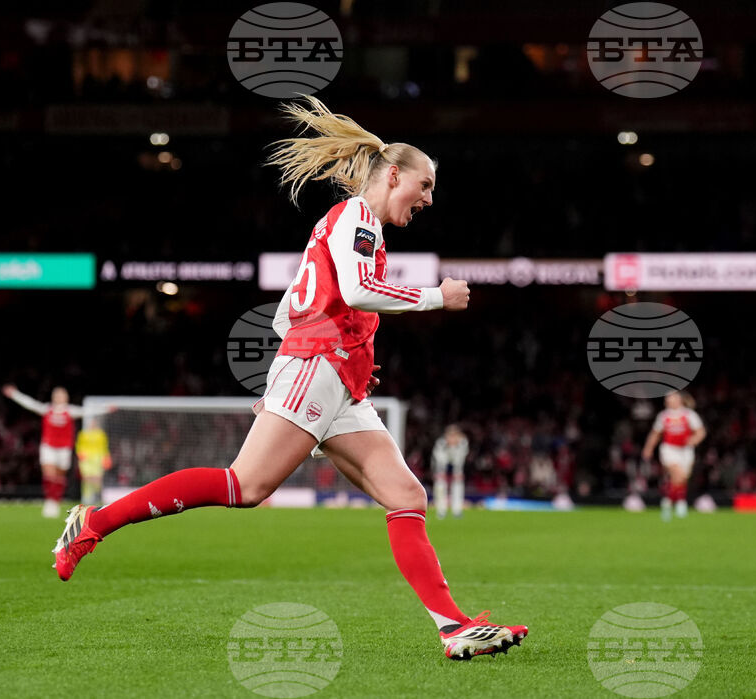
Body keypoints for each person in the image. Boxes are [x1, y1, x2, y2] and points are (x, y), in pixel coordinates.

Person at [51, 97, 527, 661]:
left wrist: (327, 365)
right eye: (424, 185)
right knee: (245, 487)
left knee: (406, 494)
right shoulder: (356, 218)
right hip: (318, 369)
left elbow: (287, 314)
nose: (429, 198)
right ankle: (93, 523)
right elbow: (356, 292)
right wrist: (435, 298)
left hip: (335, 379)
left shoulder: (355, 226)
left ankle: (454, 627)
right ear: (394, 175)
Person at [2, 385, 115, 518]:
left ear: (66, 397)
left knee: (59, 477)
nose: (59, 397)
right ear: (53, 397)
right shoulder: (47, 409)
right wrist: (14, 394)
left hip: (64, 449)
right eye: (57, 395)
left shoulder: (70, 411)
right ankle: (49, 501)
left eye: (62, 395)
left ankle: (56, 501)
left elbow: (88, 411)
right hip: (48, 447)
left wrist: (106, 409)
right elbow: (30, 404)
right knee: (49, 474)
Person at [642, 391, 706, 520]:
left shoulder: (689, 415)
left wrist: (694, 440)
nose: (669, 401)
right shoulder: (663, 416)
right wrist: (648, 448)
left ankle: (668, 501)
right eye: (667, 399)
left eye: (671, 398)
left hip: (685, 450)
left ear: (679, 400)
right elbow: (655, 434)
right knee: (678, 475)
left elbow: (701, 432)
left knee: (681, 479)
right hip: (669, 449)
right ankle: (681, 503)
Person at [432, 424, 468, 519]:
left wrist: (456, 469)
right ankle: (441, 511)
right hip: (442, 468)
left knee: (458, 489)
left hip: (456, 468)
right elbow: (438, 457)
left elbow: (462, 456)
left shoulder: (462, 443)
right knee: (440, 488)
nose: (452, 438)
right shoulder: (441, 443)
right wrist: (442, 470)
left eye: (454, 435)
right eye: (450, 435)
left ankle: (457, 511)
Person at [76, 417, 111, 505]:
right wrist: (80, 454)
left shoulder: (101, 434)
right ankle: (86, 497)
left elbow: (104, 447)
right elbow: (78, 446)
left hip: (97, 458)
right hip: (86, 459)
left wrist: (106, 457)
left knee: (97, 478)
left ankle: (98, 496)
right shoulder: (83, 434)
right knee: (86, 478)